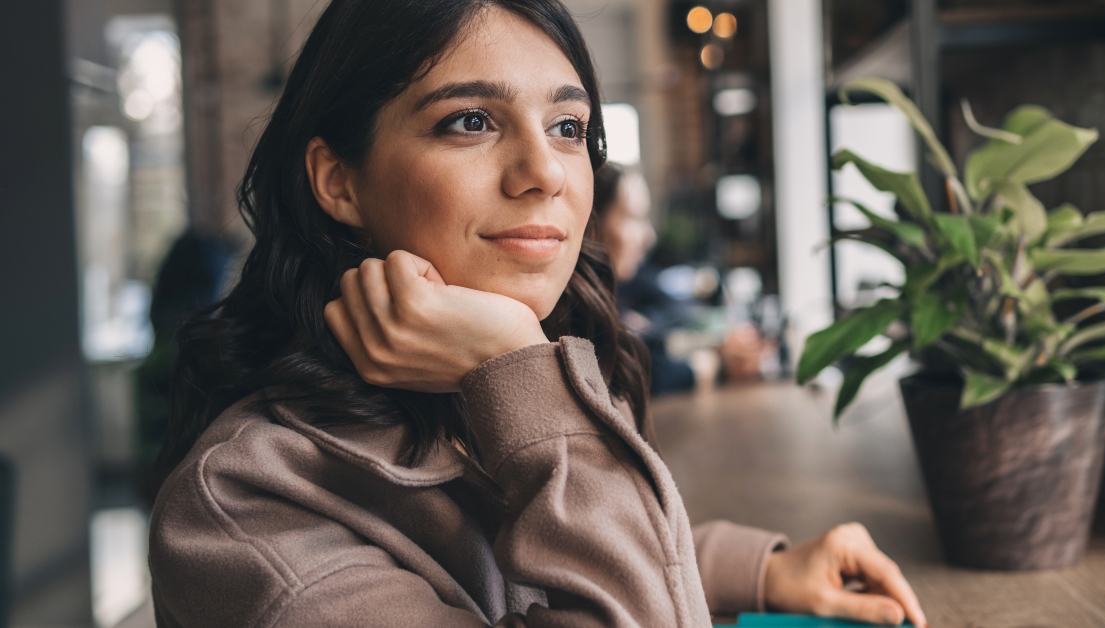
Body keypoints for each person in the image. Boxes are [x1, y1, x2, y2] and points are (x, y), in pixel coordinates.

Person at [148, 1, 927, 626]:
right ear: (337, 180)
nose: (545, 172)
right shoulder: (241, 509)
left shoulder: (465, 389)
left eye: (568, 127)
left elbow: (510, 567)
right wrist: (520, 370)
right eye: (471, 121)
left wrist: (753, 568)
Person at [592, 164, 772, 394]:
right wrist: (711, 366)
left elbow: (673, 311)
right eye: (634, 218)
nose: (649, 237)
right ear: (592, 223)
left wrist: (722, 340)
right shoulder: (581, 314)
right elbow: (636, 376)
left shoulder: (628, 285)